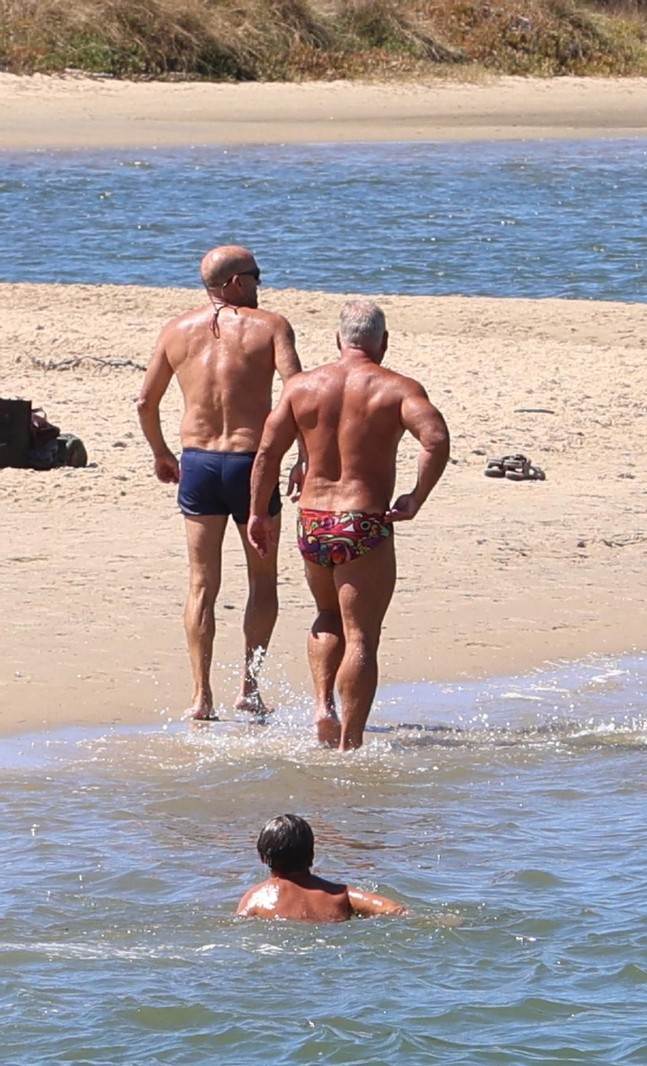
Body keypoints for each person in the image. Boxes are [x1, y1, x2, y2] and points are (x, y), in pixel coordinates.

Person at [247, 301, 450, 750]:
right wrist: (416, 496)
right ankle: (349, 744)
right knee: (361, 636)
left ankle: (323, 706)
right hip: (363, 522)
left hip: (313, 521)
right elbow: (435, 439)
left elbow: (267, 452)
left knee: (326, 614)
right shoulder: (397, 388)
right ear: (383, 342)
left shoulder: (301, 387)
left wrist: (258, 512)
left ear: (339, 339)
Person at [136, 245, 302, 720]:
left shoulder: (175, 330)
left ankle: (201, 697)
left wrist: (161, 453)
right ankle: (250, 689)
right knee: (262, 581)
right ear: (234, 283)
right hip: (253, 466)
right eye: (255, 276)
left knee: (201, 584)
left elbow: (145, 402)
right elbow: (298, 393)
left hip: (200, 465)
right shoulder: (271, 326)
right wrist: (304, 458)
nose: (260, 284)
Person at [236, 814, 406, 921]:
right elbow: (397, 910)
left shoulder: (255, 898)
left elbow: (238, 925)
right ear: (311, 855)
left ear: (262, 858)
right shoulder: (341, 895)